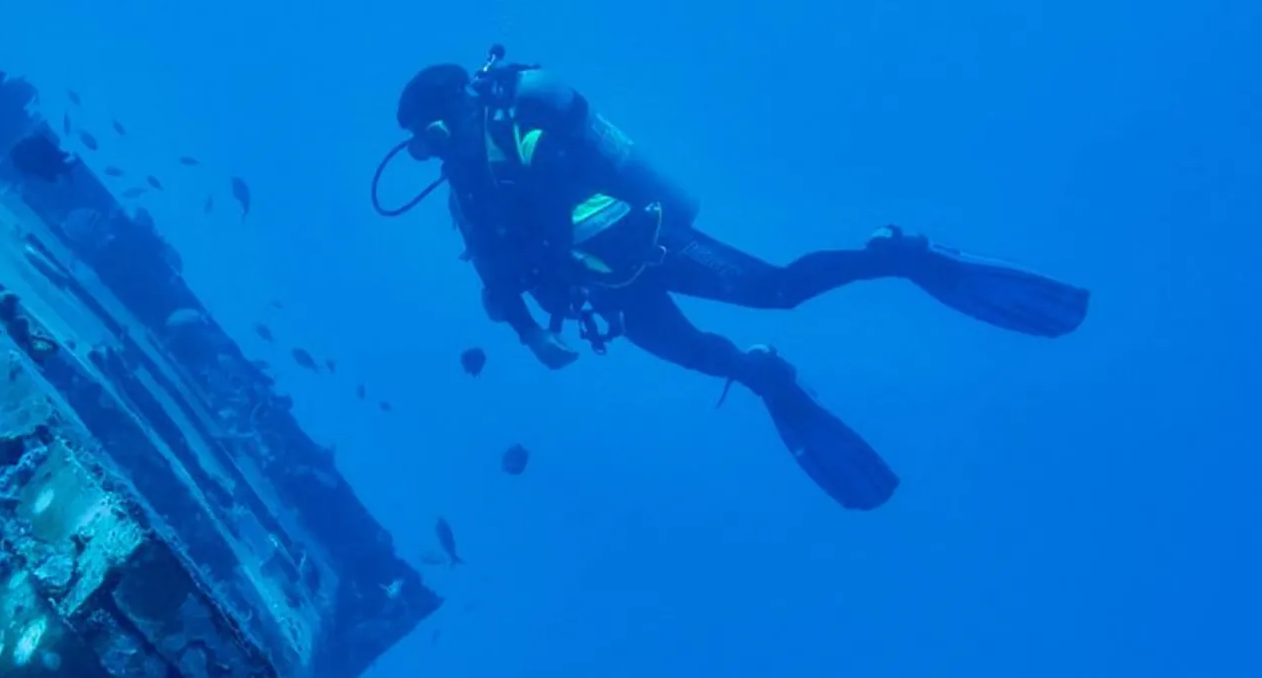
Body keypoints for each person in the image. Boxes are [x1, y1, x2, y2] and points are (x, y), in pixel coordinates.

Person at [370, 48, 1091, 510]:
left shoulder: (516, 122)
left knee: (776, 291)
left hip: (651, 246)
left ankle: (900, 256)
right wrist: (532, 337)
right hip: (607, 297)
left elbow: (583, 164)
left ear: (459, 106)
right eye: (425, 149)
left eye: (435, 136)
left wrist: (539, 173)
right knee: (705, 356)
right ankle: (767, 377)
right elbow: (497, 282)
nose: (436, 156)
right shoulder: (466, 191)